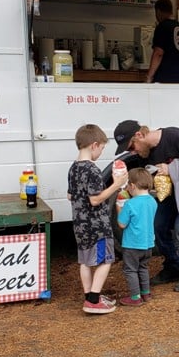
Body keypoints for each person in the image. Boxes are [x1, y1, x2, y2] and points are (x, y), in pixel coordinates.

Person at [113, 121, 179, 292]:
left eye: (131, 147)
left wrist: (171, 168)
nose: (132, 152)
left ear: (139, 135)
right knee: (158, 226)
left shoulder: (177, 136)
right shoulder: (144, 155)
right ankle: (173, 266)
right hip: (167, 197)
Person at [68, 124, 128, 314]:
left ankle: (90, 296)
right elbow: (95, 199)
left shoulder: (73, 168)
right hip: (97, 225)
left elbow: (70, 195)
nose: (101, 152)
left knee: (85, 261)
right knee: (106, 260)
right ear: (94, 145)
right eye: (102, 148)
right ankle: (93, 300)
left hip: (79, 224)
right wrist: (116, 184)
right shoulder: (92, 170)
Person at [117, 167, 158, 306]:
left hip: (132, 244)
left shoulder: (130, 204)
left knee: (130, 270)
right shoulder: (153, 201)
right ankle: (146, 293)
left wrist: (119, 208)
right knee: (143, 267)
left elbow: (122, 224)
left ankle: (135, 297)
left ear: (132, 186)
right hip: (148, 243)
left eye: (128, 185)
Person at [145, 0, 179, 83]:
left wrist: (149, 77)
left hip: (165, 77)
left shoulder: (162, 27)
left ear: (158, 11)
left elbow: (158, 54)